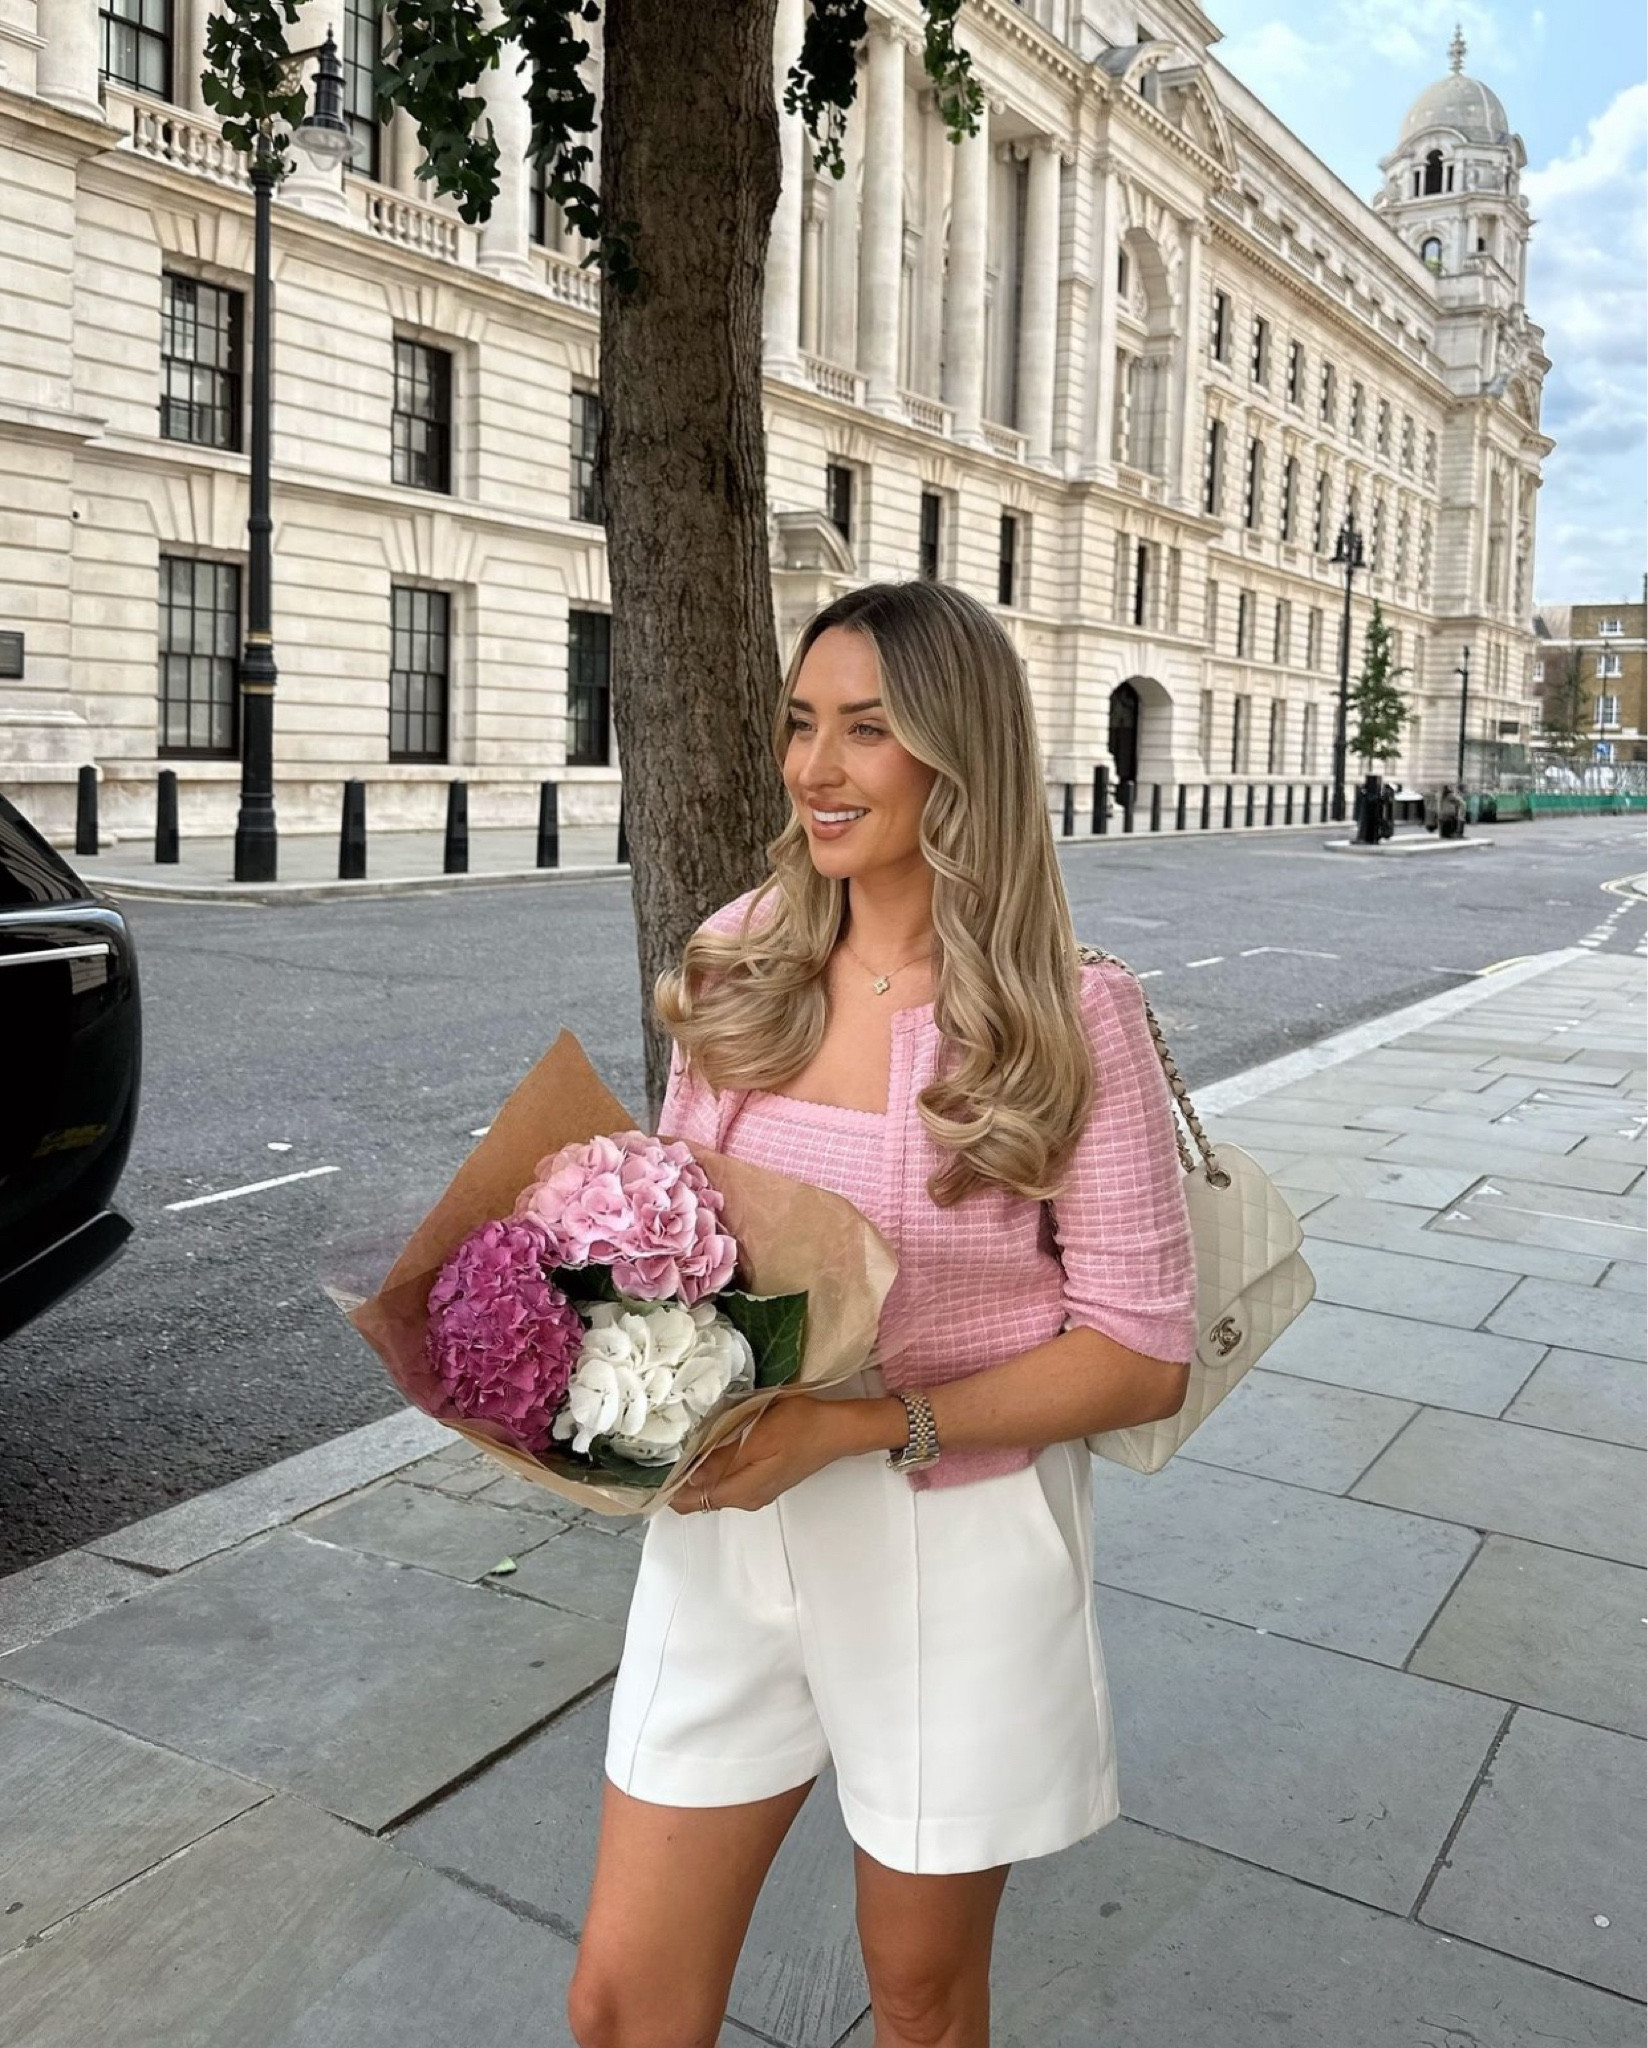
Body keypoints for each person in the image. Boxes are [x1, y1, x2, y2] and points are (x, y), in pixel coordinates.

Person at [566, 581, 1198, 2048]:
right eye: (802, 725)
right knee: (620, 2000)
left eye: (867, 729)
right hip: (729, 1528)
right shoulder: (744, 954)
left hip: (947, 1535)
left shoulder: (1064, 1009)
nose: (814, 768)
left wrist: (863, 1424)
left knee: (917, 1998)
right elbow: (675, 1245)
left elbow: (1140, 1351)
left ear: (954, 753)